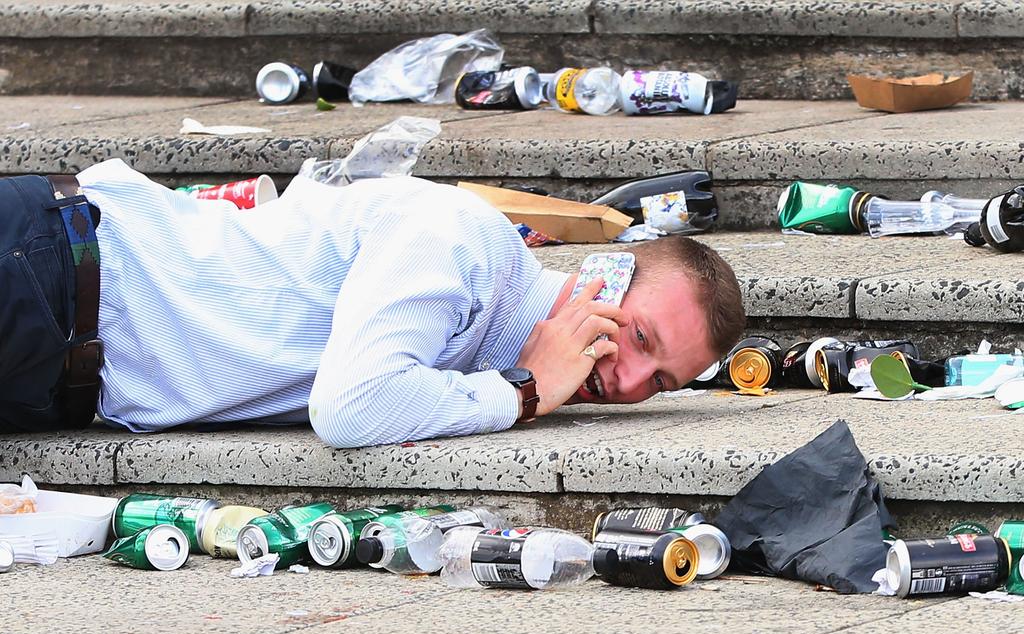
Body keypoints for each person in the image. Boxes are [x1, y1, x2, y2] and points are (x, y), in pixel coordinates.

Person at [0, 160, 745, 447]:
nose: (626, 382)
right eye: (640, 340)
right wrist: (519, 392)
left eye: (661, 383)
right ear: (605, 280)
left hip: (54, 373)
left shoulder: (485, 337)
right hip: (50, 268)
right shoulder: (460, 242)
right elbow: (351, 409)